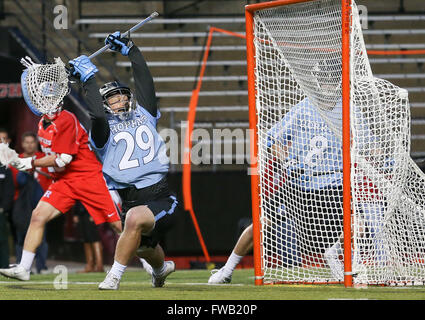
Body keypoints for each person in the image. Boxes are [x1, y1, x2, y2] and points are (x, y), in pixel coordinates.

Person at [69, 31, 179, 290]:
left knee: (133, 221)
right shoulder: (102, 131)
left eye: (123, 95)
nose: (121, 100)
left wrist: (133, 51)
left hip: (161, 195)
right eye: (113, 98)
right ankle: (162, 269)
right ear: (106, 104)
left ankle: (113, 277)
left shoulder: (146, 114)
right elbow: (96, 115)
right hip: (130, 200)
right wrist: (89, 81)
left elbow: (146, 85)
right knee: (144, 249)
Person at [0, 57, 122, 281]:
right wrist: (22, 160)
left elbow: (63, 159)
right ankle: (24, 268)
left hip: (87, 178)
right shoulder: (42, 122)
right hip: (64, 182)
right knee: (37, 216)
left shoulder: (65, 119)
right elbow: (54, 160)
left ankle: (152, 263)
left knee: (118, 225)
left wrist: (30, 162)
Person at [11, 132, 52, 274]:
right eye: (26, 142)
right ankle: (21, 265)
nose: (29, 145)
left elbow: (53, 178)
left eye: (32, 142)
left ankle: (41, 267)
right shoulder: (16, 160)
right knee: (21, 236)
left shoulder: (45, 159)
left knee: (41, 235)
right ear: (22, 144)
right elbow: (16, 183)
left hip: (43, 201)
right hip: (22, 204)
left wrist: (36, 168)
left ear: (36, 143)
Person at [73, 201, 105, 273]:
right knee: (86, 239)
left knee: (94, 238)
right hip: (81, 212)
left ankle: (99, 265)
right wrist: (75, 213)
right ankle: (90, 265)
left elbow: (95, 198)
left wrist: (95, 213)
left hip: (90, 212)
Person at [0, 129, 15, 268]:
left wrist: (4, 208)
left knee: (3, 239)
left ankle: (3, 267)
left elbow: (9, 190)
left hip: (3, 211)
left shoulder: (7, 167)